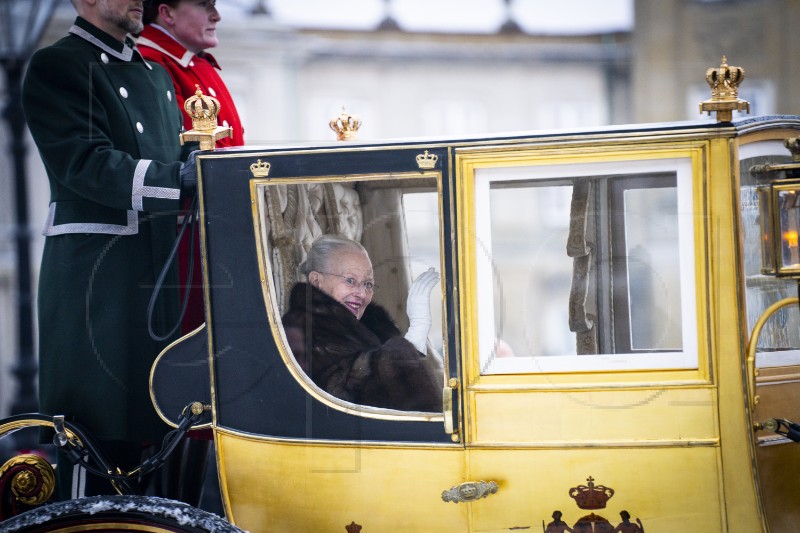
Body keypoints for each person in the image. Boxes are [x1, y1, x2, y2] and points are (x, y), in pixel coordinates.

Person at [22, 0, 196, 500]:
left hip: (155, 276)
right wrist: (177, 178)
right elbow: (86, 163)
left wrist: (202, 166)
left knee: (153, 437)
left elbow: (171, 158)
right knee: (93, 441)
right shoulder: (60, 64)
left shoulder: (156, 76)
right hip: (98, 286)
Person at [138, 0, 244, 334]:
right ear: (166, 12)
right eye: (203, 5)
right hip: (184, 234)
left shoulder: (190, 64)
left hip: (215, 231)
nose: (217, 15)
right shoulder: (151, 62)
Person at [282, 235, 443, 411]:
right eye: (350, 281)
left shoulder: (370, 324)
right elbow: (339, 397)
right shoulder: (300, 329)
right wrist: (411, 342)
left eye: (368, 284)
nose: (361, 293)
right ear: (316, 281)